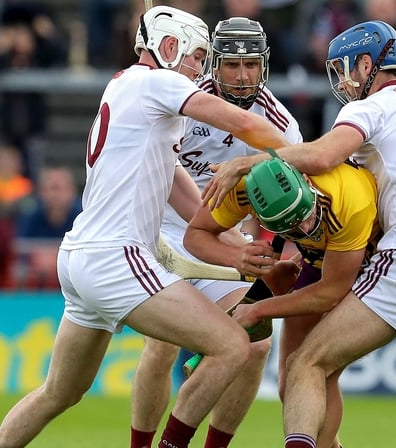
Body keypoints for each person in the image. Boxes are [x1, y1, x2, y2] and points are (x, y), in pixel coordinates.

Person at [0, 6, 290, 448]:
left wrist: (234, 246)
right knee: (232, 346)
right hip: (118, 257)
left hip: (79, 257)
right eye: (197, 57)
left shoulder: (129, 93)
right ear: (170, 48)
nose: (198, 69)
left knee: (60, 392)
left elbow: (185, 197)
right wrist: (314, 154)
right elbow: (243, 121)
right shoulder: (157, 83)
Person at [201, 20, 396, 448]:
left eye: (346, 69)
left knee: (307, 364)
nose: (343, 82)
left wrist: (249, 162)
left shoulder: (370, 107)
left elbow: (324, 155)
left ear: (368, 63)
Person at [129, 17, 303, 448]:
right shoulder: (184, 100)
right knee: (162, 345)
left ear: (264, 65)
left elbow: (298, 192)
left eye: (250, 65)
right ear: (213, 64)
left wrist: (277, 250)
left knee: (256, 343)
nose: (242, 76)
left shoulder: (280, 123)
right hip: (163, 226)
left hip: (221, 235)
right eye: (230, 65)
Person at [185, 153, 379, 448]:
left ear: (307, 185)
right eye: (290, 229)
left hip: (371, 259)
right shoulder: (242, 192)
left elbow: (330, 292)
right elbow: (196, 233)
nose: (305, 230)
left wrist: (259, 310)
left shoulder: (349, 197)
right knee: (292, 385)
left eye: (306, 216)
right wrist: (237, 256)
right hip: (319, 262)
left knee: (318, 370)